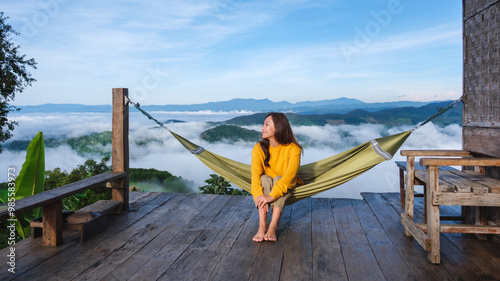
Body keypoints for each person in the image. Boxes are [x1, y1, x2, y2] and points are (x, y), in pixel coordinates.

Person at [251, 112, 302, 242]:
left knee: (279, 178)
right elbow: (255, 178)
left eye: (267, 124)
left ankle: (273, 225)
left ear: (278, 127)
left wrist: (271, 196)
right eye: (263, 124)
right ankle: (262, 226)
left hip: (285, 184)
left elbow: (288, 178)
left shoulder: (293, 149)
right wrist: (260, 197)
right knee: (264, 179)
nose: (263, 128)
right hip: (266, 185)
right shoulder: (258, 148)